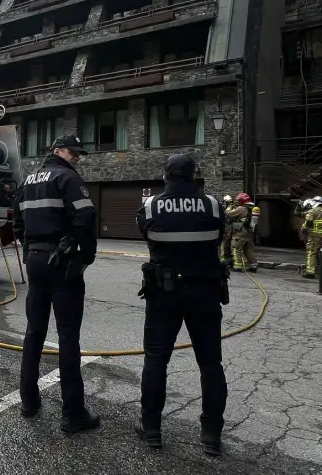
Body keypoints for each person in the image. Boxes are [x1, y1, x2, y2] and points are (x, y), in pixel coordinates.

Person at [135, 154, 229, 456]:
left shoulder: (150, 207)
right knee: (211, 364)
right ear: (195, 175)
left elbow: (148, 239)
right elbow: (218, 238)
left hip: (165, 293)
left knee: (156, 361)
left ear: (166, 176)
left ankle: (151, 429)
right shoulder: (215, 206)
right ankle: (211, 435)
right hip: (205, 292)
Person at [13, 134, 99, 433]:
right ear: (57, 150)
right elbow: (86, 219)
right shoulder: (68, 179)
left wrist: (30, 253)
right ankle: (73, 414)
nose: (77, 157)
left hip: (36, 261)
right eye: (72, 152)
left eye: (78, 153)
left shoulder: (28, 181)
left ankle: (29, 401)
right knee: (67, 336)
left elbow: (18, 223)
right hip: (62, 265)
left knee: (34, 332)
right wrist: (85, 258)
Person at [302, 196, 322, 279]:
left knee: (311, 253)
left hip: (314, 237)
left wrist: (304, 229)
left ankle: (310, 272)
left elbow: (307, 224)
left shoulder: (312, 211)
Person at [228, 193, 258, 272]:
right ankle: (253, 265)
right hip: (248, 232)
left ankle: (237, 266)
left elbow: (229, 214)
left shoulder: (241, 208)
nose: (237, 202)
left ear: (241, 201)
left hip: (240, 232)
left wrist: (229, 206)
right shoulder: (251, 208)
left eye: (238, 201)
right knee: (248, 249)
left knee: (235, 247)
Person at [220, 195, 234, 266]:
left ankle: (226, 261)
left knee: (226, 247)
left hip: (229, 230)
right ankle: (225, 261)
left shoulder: (230, 210)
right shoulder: (224, 209)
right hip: (226, 230)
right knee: (225, 247)